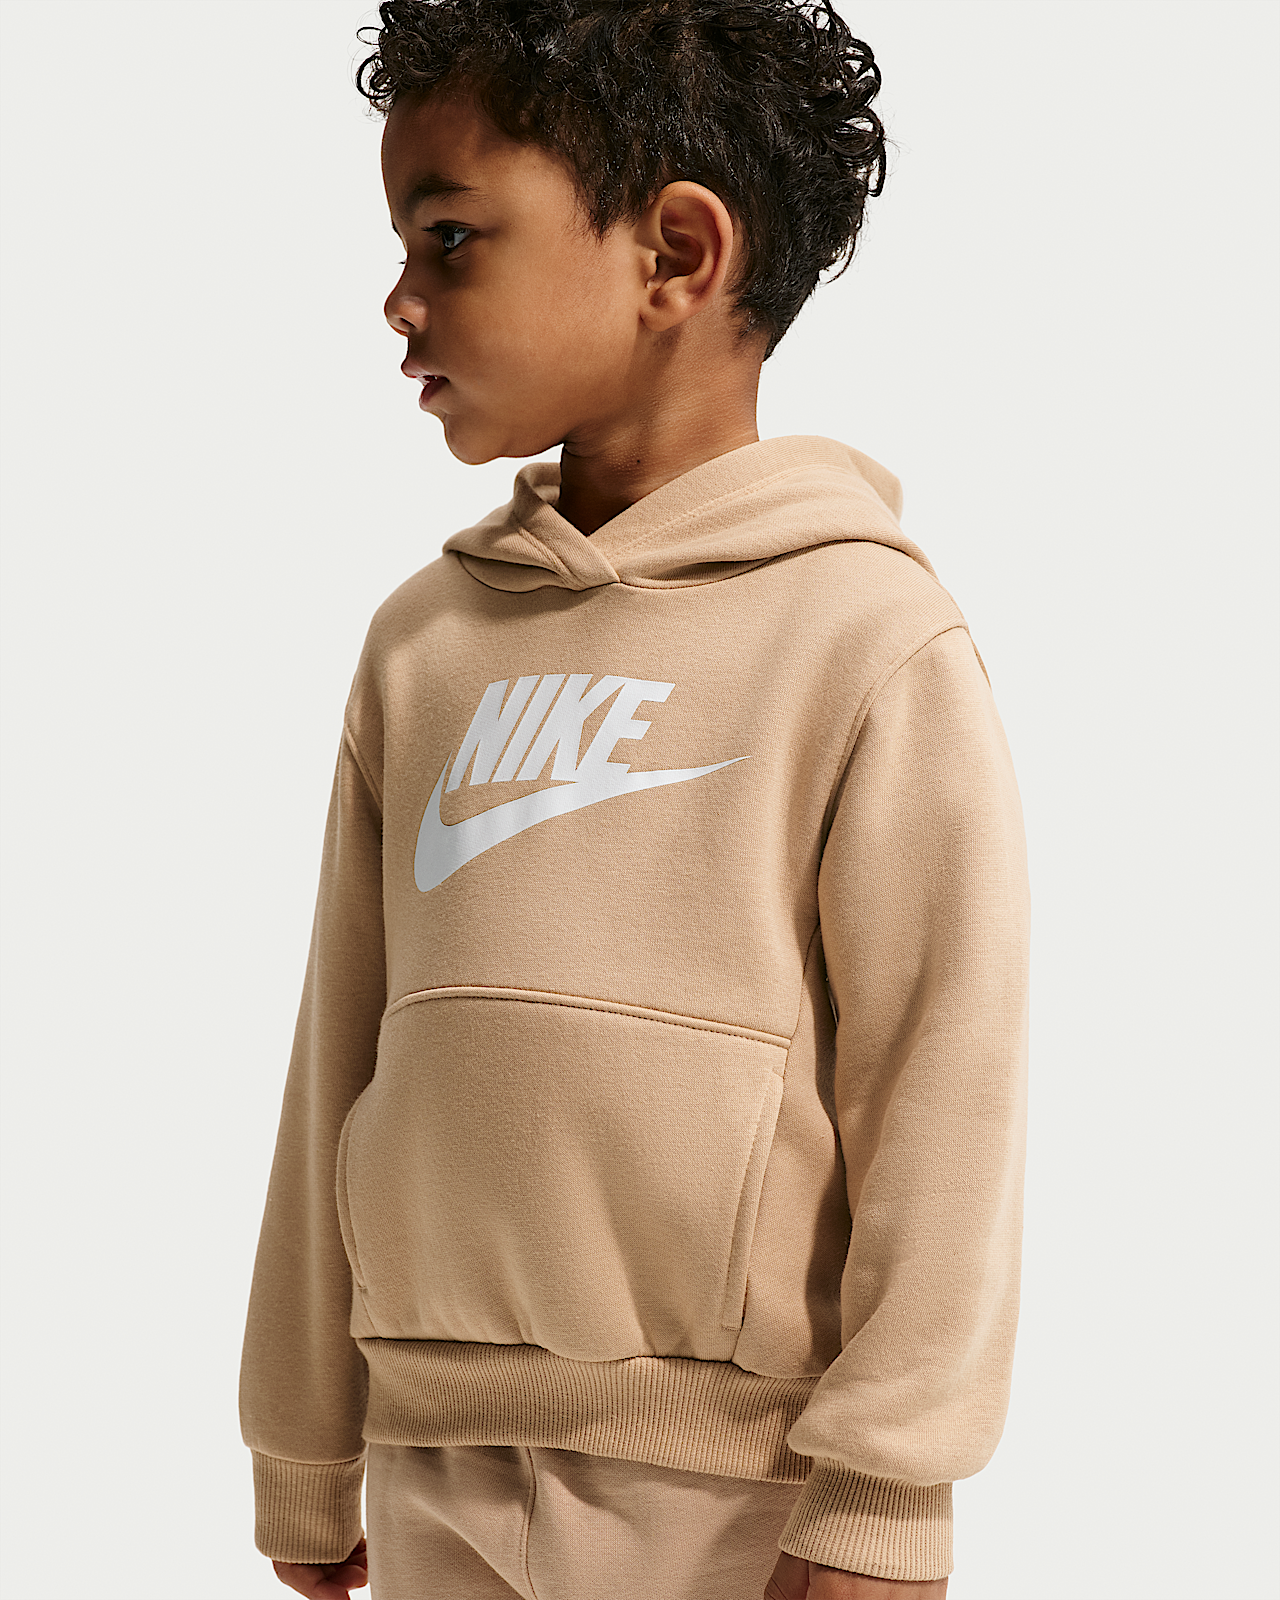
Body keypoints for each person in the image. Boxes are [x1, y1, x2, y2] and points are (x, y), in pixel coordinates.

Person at [238, 2, 1030, 1596]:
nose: (399, 301)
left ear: (676, 252)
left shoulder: (864, 636)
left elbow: (944, 1077)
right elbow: (343, 1044)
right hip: (427, 1459)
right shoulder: (423, 643)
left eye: (450, 238)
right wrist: (303, 1441)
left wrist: (887, 1489)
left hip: (731, 1496)